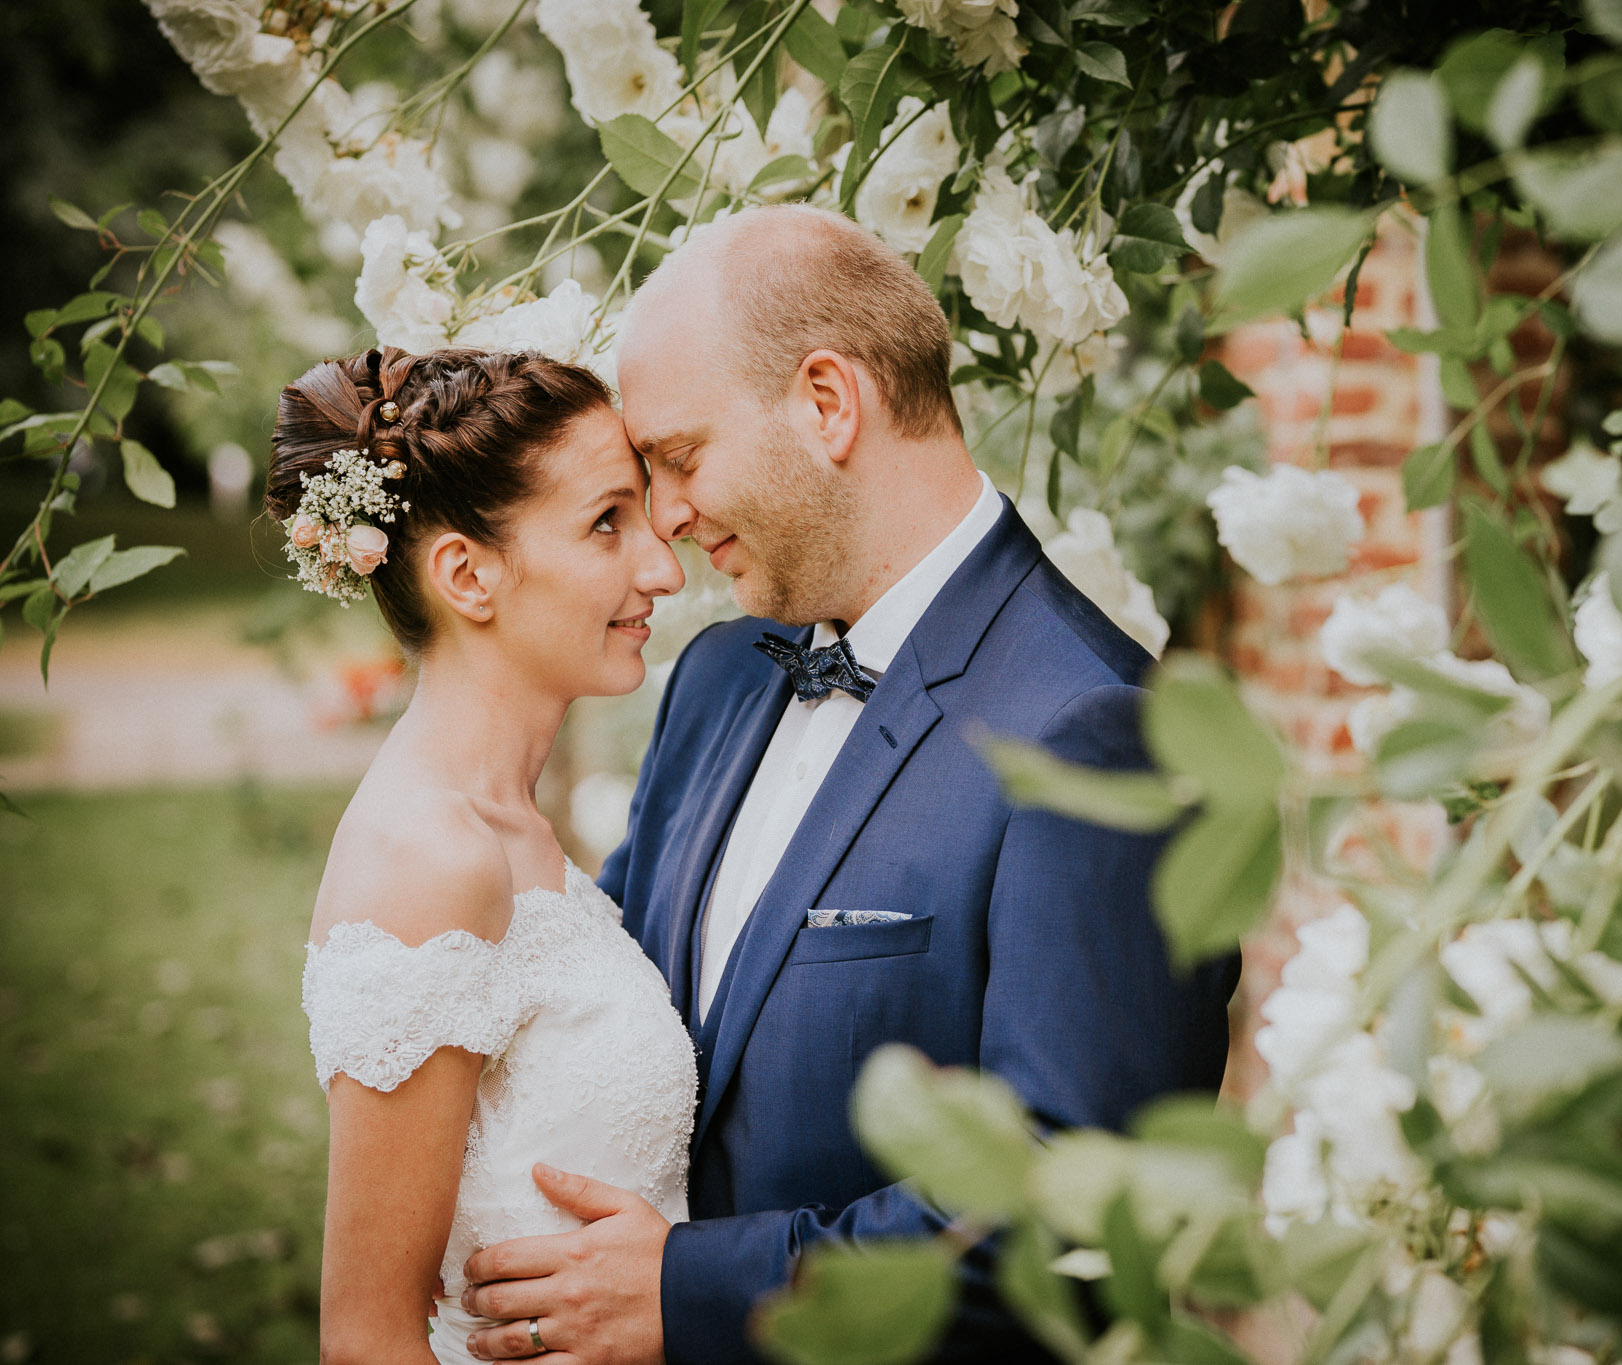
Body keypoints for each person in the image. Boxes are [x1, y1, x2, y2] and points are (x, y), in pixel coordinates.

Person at [457, 206, 1240, 1364]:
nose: (662, 524)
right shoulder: (719, 678)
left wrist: (689, 1293)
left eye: (677, 457)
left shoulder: (1094, 730)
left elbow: (1080, 1217)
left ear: (827, 403)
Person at [277, 346, 696, 1365]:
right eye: (607, 523)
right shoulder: (430, 858)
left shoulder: (513, 830)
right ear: (467, 574)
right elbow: (369, 1340)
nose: (663, 568)